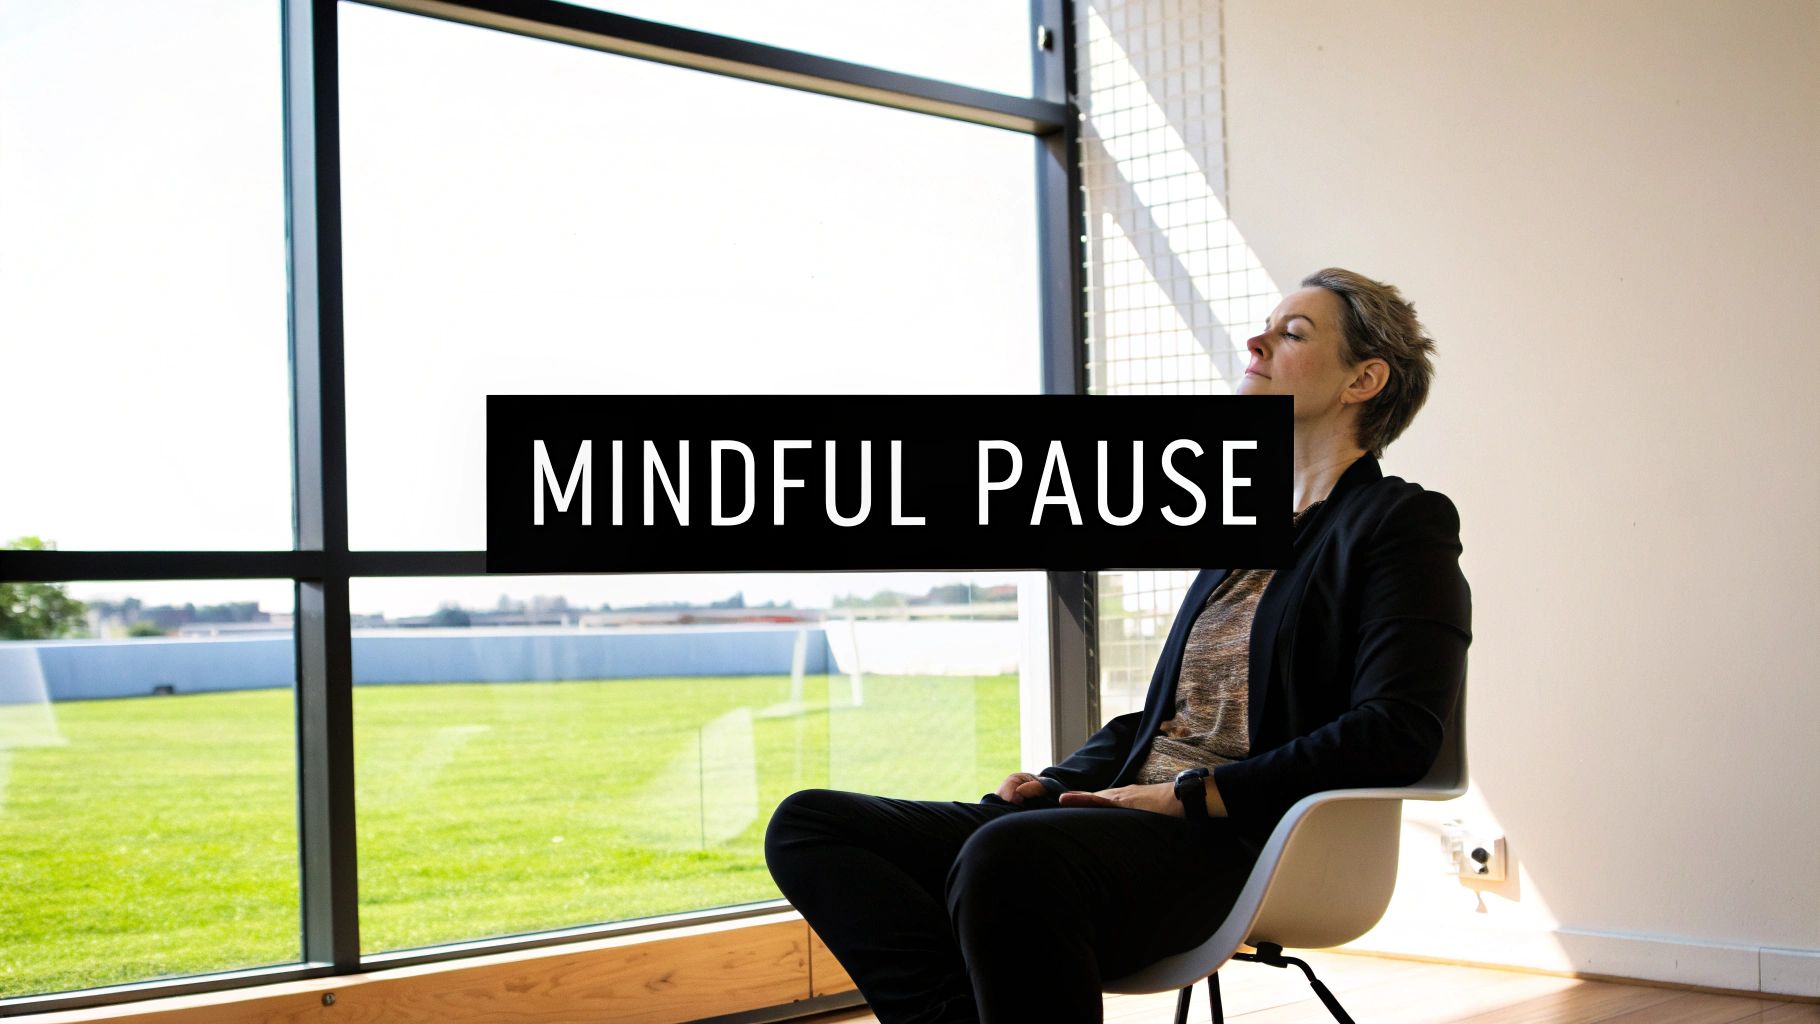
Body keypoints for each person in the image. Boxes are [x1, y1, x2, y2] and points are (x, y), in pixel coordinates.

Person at [764, 268, 1472, 1024]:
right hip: (1127, 814)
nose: (1257, 341)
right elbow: (1168, 720)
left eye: (1294, 333)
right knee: (812, 825)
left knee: (1009, 860)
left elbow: (1397, 731)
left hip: (1239, 843)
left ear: (1365, 378)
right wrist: (1060, 779)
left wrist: (1191, 795)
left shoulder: (1400, 525)